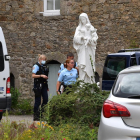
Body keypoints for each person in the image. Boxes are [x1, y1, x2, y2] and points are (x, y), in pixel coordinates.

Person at [73, 13, 98, 84]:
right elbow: (75, 39)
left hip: (89, 49)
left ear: (86, 19)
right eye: (81, 19)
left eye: (83, 19)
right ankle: (83, 81)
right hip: (82, 49)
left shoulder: (91, 27)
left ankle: (90, 81)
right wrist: (81, 38)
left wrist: (91, 40)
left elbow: (95, 37)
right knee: (82, 64)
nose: (82, 21)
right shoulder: (79, 28)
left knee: (89, 64)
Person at [32, 54, 49, 121]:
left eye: (45, 60)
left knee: (45, 100)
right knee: (38, 101)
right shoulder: (36, 66)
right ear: (39, 59)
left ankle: (41, 113)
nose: (43, 61)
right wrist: (41, 75)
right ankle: (36, 115)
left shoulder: (45, 66)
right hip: (38, 85)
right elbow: (33, 75)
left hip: (44, 85)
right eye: (42, 59)